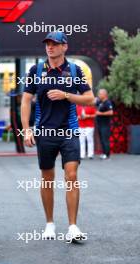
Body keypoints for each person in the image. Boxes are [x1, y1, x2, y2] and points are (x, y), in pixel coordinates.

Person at [21, 31, 94, 242]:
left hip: (69, 130)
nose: (50, 47)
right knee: (47, 178)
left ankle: (73, 227)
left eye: (55, 44)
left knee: (71, 176)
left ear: (64, 47)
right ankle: (50, 224)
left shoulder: (74, 69)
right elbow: (26, 101)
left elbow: (89, 99)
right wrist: (27, 129)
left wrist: (66, 95)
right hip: (45, 132)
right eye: (47, 44)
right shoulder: (36, 70)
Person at [96, 89, 114, 159]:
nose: (99, 95)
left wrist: (101, 113)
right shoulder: (100, 102)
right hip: (100, 124)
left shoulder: (107, 102)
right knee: (102, 139)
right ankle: (104, 153)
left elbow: (111, 112)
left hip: (105, 125)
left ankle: (107, 154)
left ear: (104, 94)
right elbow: (94, 101)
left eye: (100, 94)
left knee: (105, 139)